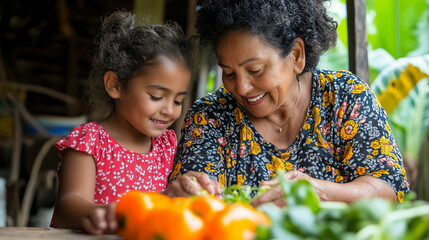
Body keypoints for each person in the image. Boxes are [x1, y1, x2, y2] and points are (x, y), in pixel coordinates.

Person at [166, 0, 410, 207]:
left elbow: (390, 188)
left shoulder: (346, 97)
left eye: (255, 70)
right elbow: (193, 202)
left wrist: (318, 192)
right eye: (228, 73)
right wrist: (188, 193)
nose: (240, 87)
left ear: (296, 55)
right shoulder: (209, 116)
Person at [50, 10, 194, 234]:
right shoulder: (90, 141)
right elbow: (68, 205)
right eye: (156, 96)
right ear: (115, 85)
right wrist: (100, 214)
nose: (169, 110)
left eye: (178, 100)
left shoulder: (167, 146)